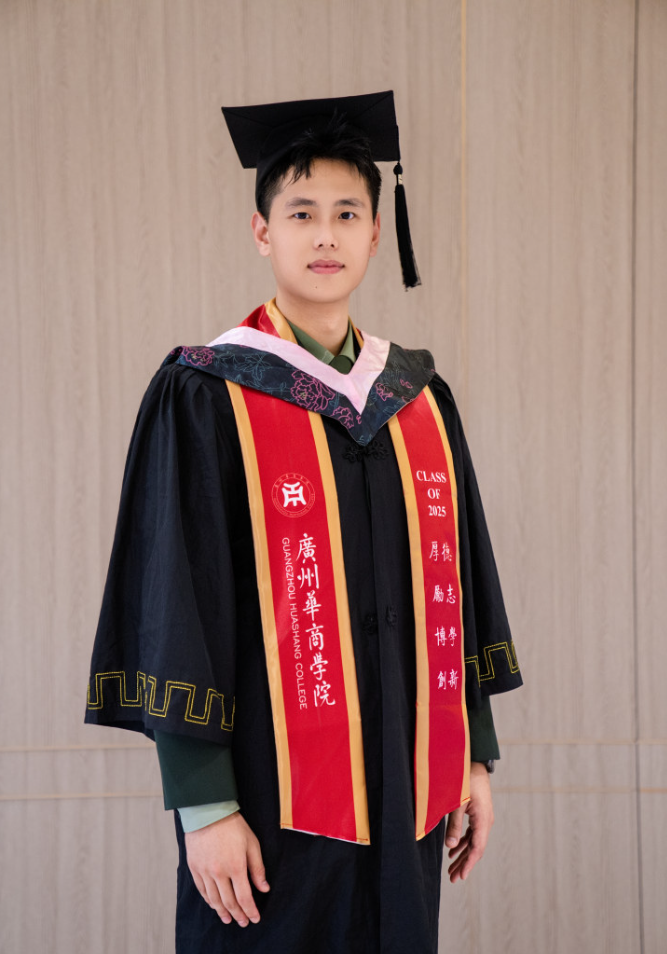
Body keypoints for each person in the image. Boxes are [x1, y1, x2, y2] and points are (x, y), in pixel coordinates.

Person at [85, 91, 522, 954]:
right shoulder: (208, 394)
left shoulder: (416, 399)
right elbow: (176, 597)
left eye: (346, 214)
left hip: (406, 779)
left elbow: (456, 583)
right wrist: (204, 805)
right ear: (263, 232)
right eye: (301, 214)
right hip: (267, 796)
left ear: (374, 234)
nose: (325, 236)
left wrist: (470, 751)